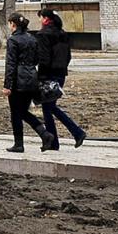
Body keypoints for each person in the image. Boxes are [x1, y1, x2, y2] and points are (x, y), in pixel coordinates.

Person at [2, 12, 54, 152]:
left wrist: (7, 85)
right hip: (32, 78)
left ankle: (19, 144)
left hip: (18, 81)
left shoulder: (13, 40)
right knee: (23, 111)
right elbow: (37, 59)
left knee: (16, 113)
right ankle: (44, 135)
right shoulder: (32, 38)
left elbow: (11, 64)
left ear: (12, 24)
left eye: (9, 23)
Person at [35, 8, 86, 149]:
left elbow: (44, 59)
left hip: (48, 75)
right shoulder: (62, 33)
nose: (40, 20)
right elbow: (68, 56)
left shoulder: (43, 35)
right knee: (48, 108)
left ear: (45, 19)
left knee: (50, 107)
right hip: (61, 74)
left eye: (40, 17)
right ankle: (53, 142)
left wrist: (41, 78)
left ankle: (77, 132)